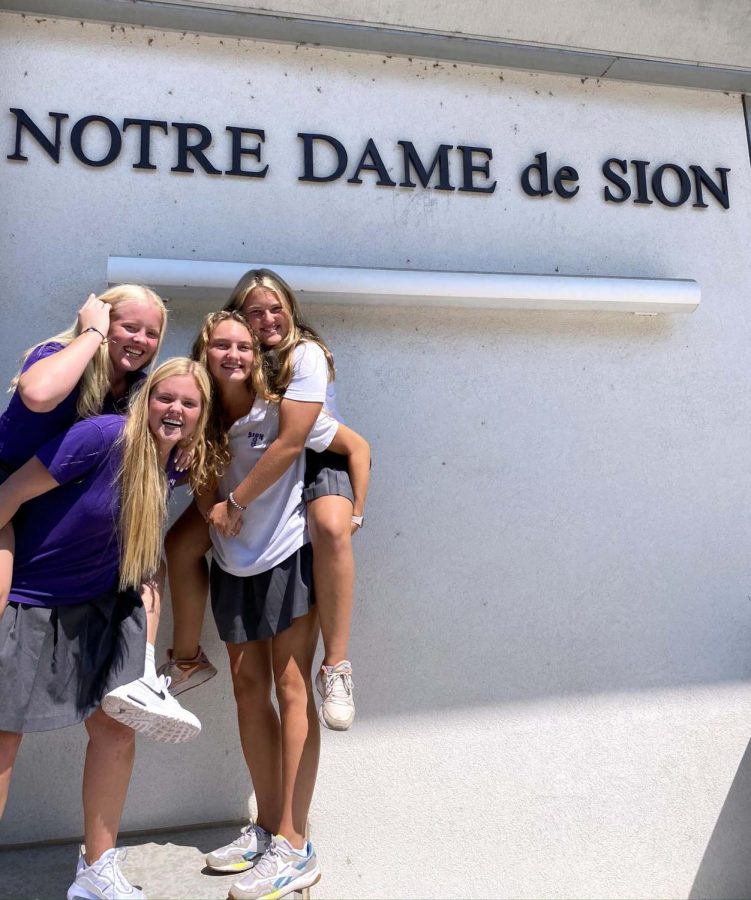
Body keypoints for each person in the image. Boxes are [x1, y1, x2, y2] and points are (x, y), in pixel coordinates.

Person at [0, 357, 212, 900]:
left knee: (116, 729)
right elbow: (8, 496)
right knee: (2, 739)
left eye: (189, 404)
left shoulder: (176, 463)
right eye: (167, 398)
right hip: (29, 600)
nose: (175, 410)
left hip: (101, 607)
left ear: (200, 415)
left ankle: (97, 875)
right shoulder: (100, 436)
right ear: (147, 399)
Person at [176, 310, 368, 899]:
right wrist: (214, 514)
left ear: (256, 353)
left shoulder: (284, 409)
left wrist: (353, 510)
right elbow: (205, 492)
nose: (233, 354)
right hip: (234, 562)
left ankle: (294, 845)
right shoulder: (202, 415)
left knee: (291, 691)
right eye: (221, 345)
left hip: (289, 556)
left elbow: (348, 445)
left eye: (242, 345)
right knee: (246, 691)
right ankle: (263, 830)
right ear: (205, 352)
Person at [163, 270, 369, 731]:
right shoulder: (236, 376)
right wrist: (212, 507)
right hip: (259, 474)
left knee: (332, 529)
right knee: (179, 546)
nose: (268, 319)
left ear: (292, 311)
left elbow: (297, 442)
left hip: (316, 458)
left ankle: (336, 666)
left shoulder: (304, 355)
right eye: (255, 312)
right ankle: (186, 658)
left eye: (276, 309)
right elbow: (209, 449)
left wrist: (358, 508)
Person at [0, 286, 191, 736]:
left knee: (149, 564)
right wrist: (90, 334)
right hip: (5, 500)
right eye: (129, 326)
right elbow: (39, 394)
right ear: (104, 321)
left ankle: (143, 675)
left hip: (39, 521)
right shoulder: (61, 355)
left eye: (151, 333)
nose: (140, 340)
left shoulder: (136, 395)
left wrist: (183, 448)